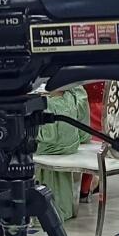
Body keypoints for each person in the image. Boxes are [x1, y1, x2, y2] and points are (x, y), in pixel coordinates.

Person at [35, 84, 91, 222]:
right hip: (71, 142)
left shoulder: (48, 103)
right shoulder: (76, 92)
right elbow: (84, 133)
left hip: (48, 146)